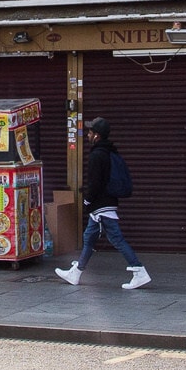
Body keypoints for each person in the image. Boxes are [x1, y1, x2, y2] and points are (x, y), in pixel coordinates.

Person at [55, 118, 149, 290]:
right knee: (89, 238)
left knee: (116, 238)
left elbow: (96, 182)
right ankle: (76, 272)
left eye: (90, 132)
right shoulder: (110, 152)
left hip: (101, 205)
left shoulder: (97, 155)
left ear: (96, 135)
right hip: (104, 204)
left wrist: (87, 200)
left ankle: (139, 271)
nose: (88, 135)